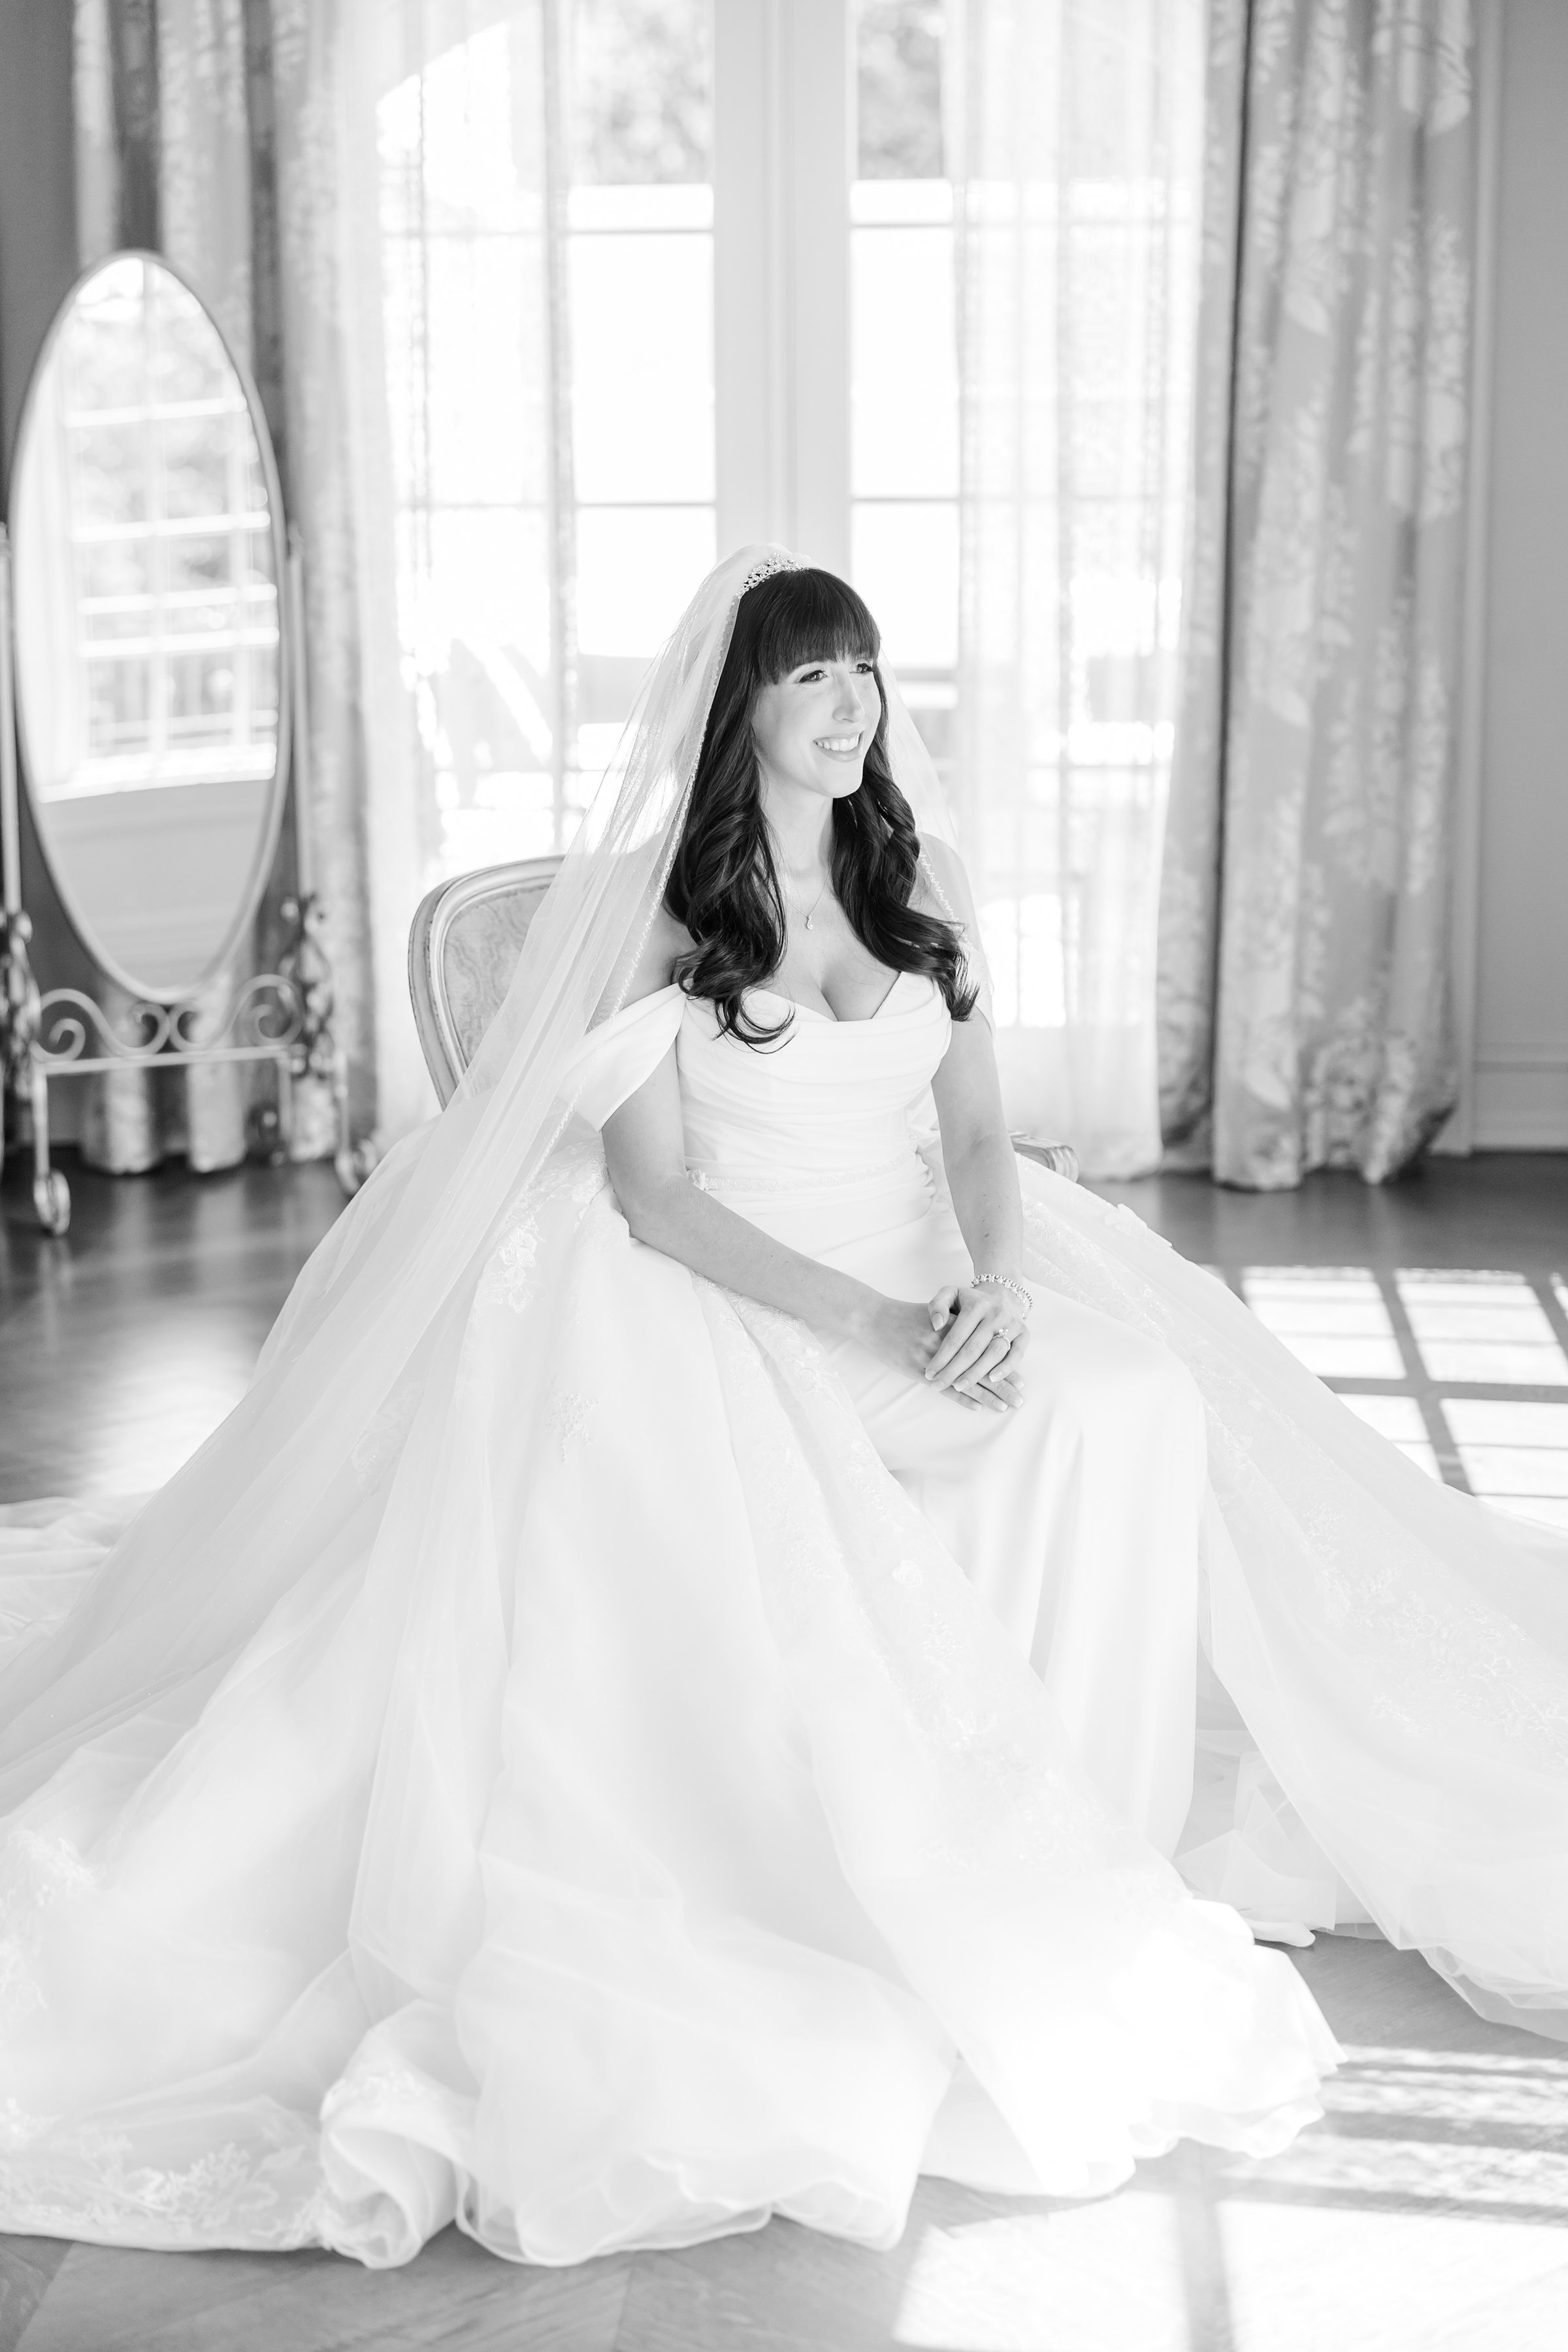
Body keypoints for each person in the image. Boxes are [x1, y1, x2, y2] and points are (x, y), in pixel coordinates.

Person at [0, 547, 1562, 2271]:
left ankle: (1085, 1809)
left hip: (926, 1259)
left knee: (1122, 1406)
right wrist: (882, 1323)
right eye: (813, 677)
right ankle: (929, 1825)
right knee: (863, 1450)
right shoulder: (669, 920)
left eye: (866, 675)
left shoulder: (927, 876)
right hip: (744, 1293)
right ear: (736, 703)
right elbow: (660, 1203)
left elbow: (977, 1132)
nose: (852, 708)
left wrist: (990, 1292)